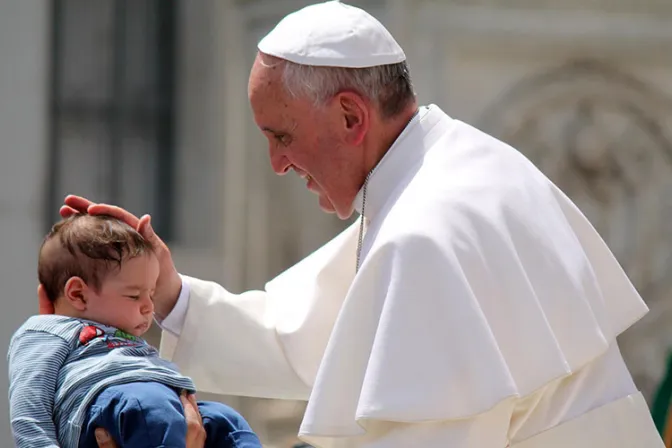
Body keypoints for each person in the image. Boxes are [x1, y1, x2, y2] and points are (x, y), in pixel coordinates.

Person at [50, 1, 664, 447]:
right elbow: (317, 337)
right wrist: (169, 295)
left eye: (282, 136)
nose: (278, 163)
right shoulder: (455, 165)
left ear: (349, 116)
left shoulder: (427, 231)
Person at [10, 214, 263, 448]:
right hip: (108, 402)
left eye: (151, 294)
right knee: (150, 406)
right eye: (133, 295)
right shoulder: (46, 331)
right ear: (78, 294)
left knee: (226, 419)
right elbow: (29, 409)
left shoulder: (125, 335)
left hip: (161, 401)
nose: (148, 307)